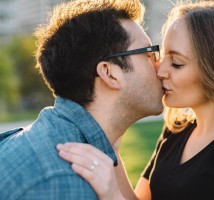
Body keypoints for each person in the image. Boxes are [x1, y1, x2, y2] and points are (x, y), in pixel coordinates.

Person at [57, 1, 214, 200]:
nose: (160, 71)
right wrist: (114, 152)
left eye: (177, 63)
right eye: (164, 57)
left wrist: (111, 195)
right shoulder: (177, 130)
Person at [0, 0, 164, 199]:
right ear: (109, 73)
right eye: (148, 53)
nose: (159, 66)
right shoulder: (65, 184)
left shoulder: (46, 141)